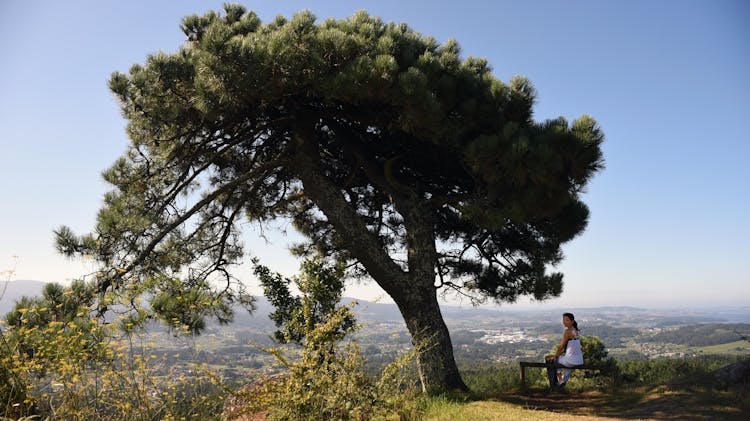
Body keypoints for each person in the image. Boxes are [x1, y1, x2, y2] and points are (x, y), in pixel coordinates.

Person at [545, 312, 583, 389]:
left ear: (572, 321)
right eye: (563, 320)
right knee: (568, 368)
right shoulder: (576, 331)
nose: (564, 322)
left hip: (571, 360)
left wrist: (555, 356)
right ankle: (561, 386)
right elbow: (570, 347)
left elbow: (561, 347)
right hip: (579, 360)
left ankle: (558, 381)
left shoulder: (568, 332)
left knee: (555, 360)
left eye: (567, 320)